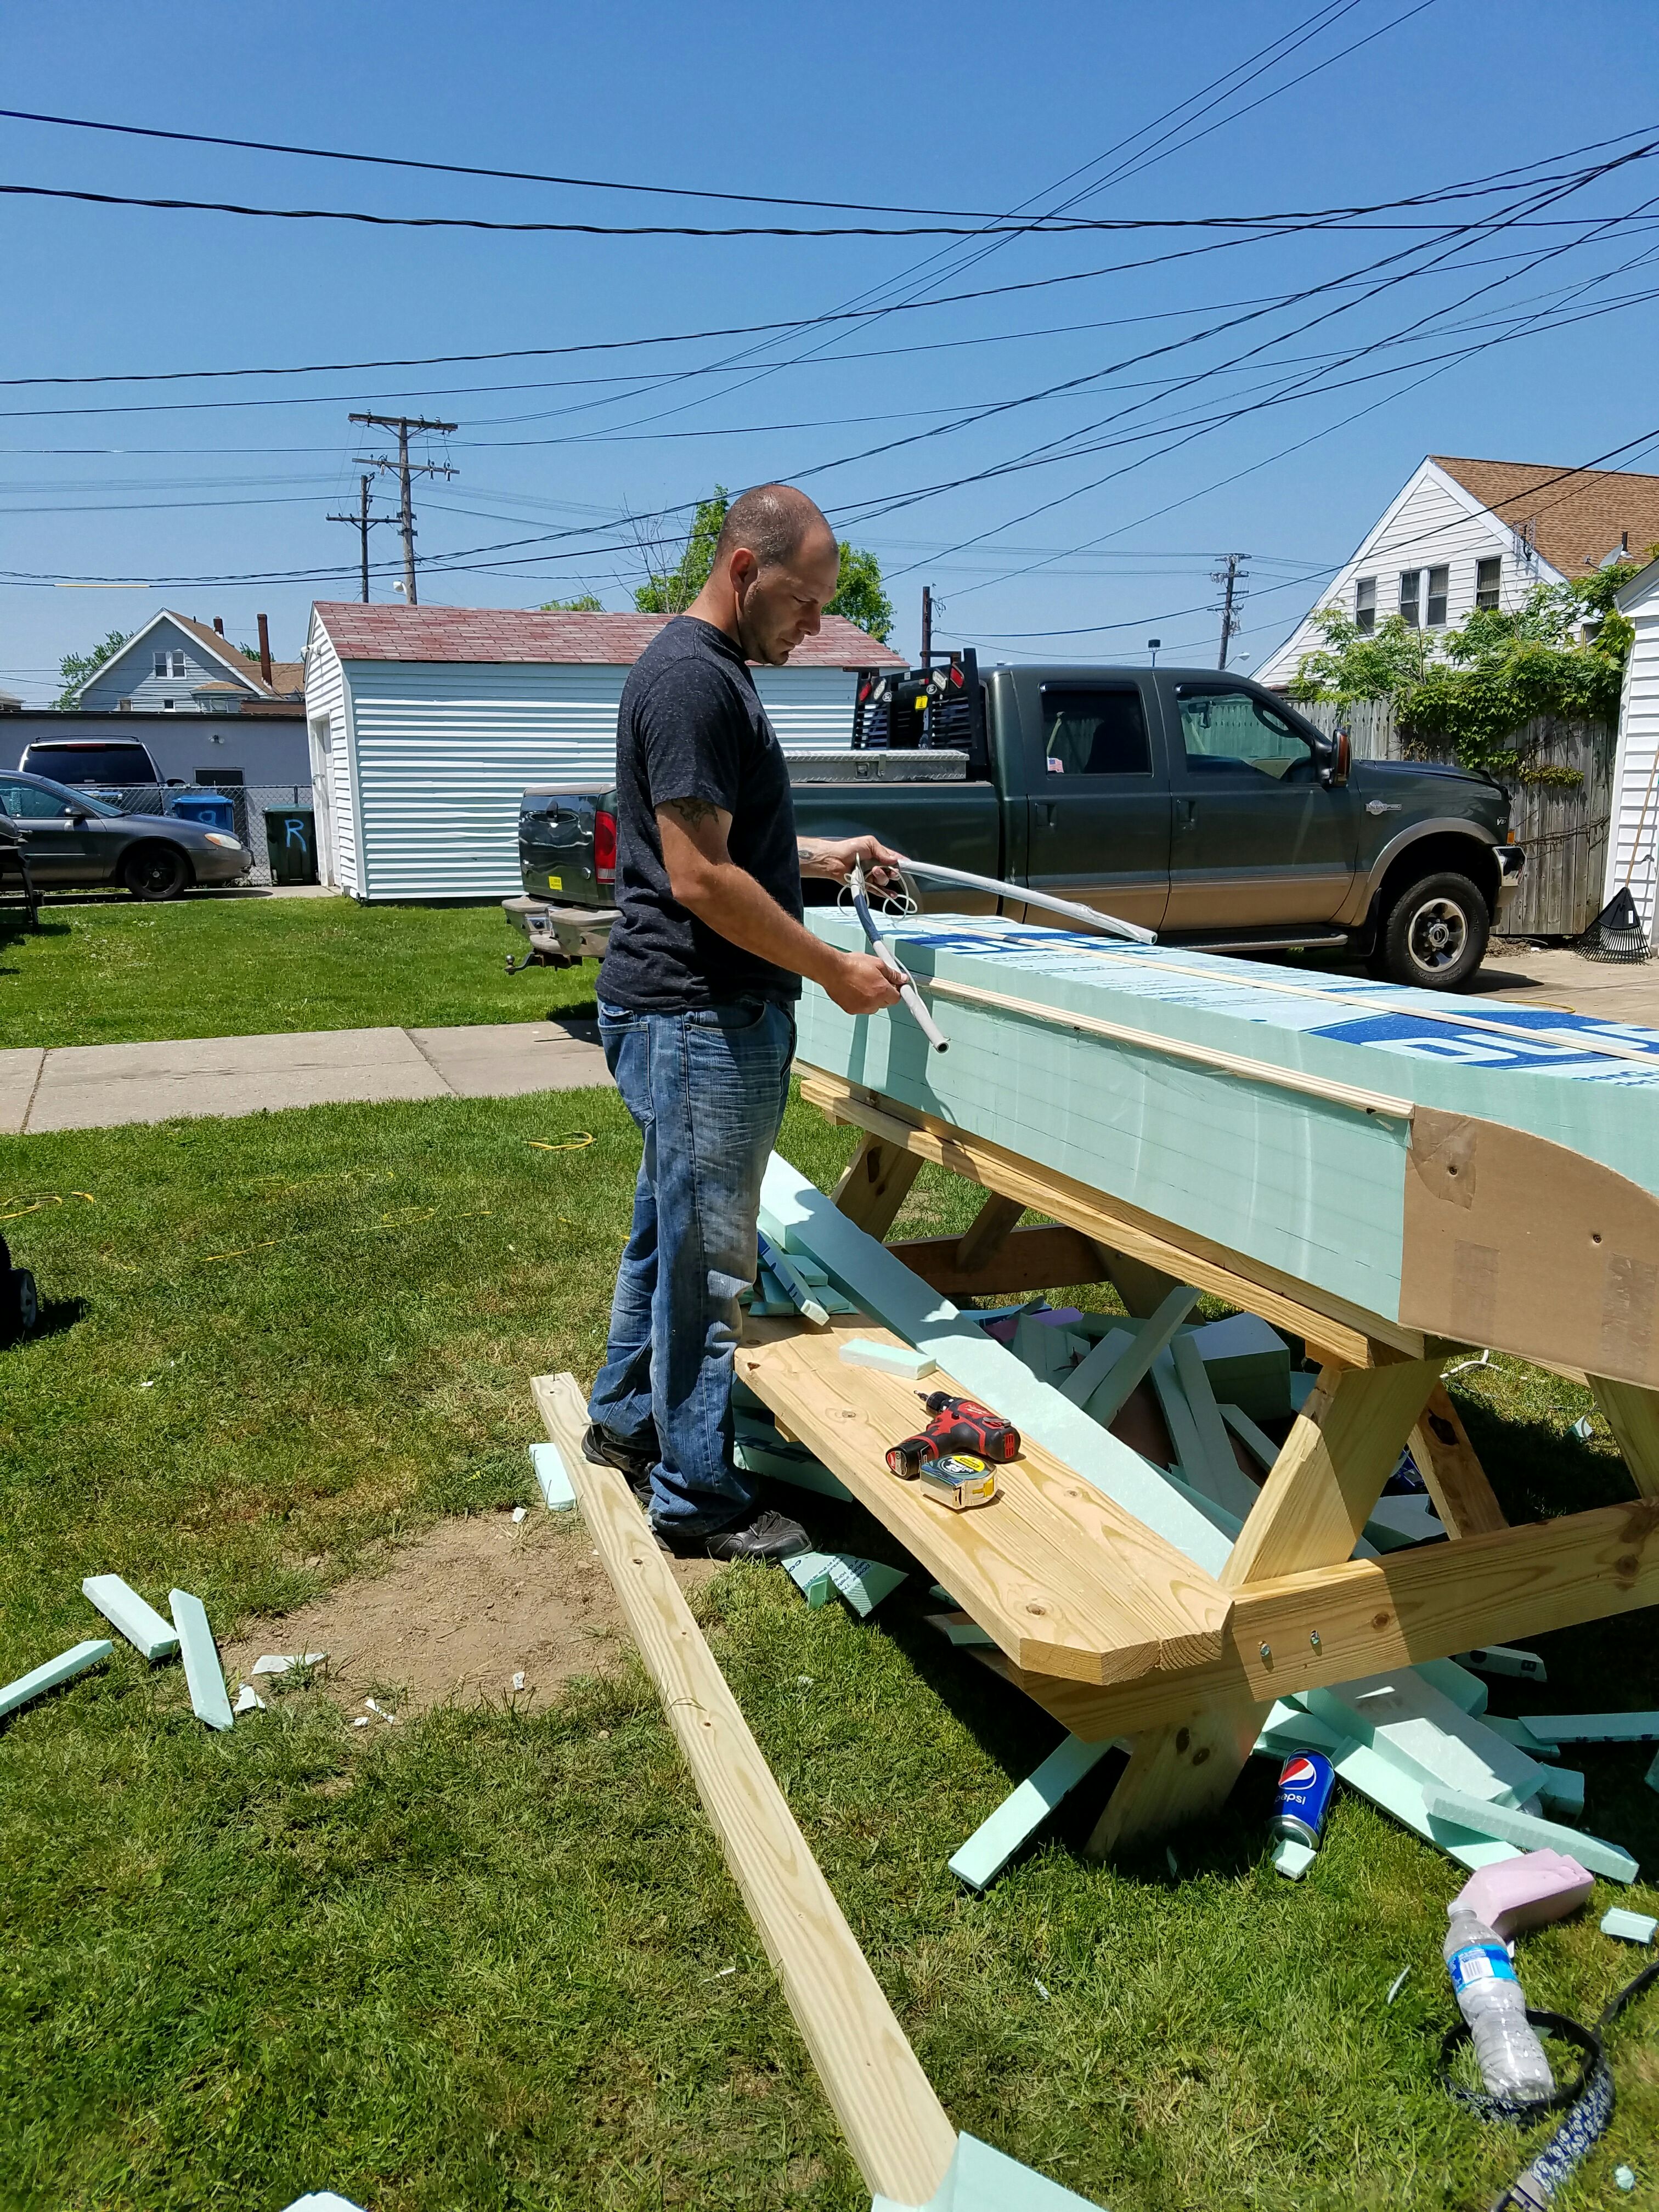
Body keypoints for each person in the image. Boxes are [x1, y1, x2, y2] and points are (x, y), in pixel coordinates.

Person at [584, 483, 904, 1560]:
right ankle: (695, 1499)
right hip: (698, 1017)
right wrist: (830, 969)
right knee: (712, 1263)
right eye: (805, 603)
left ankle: (627, 1423)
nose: (814, 626)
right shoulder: (690, 681)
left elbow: (730, 840)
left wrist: (827, 855)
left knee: (663, 1236)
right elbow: (702, 878)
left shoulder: (716, 675)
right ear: (743, 571)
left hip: (694, 1013)